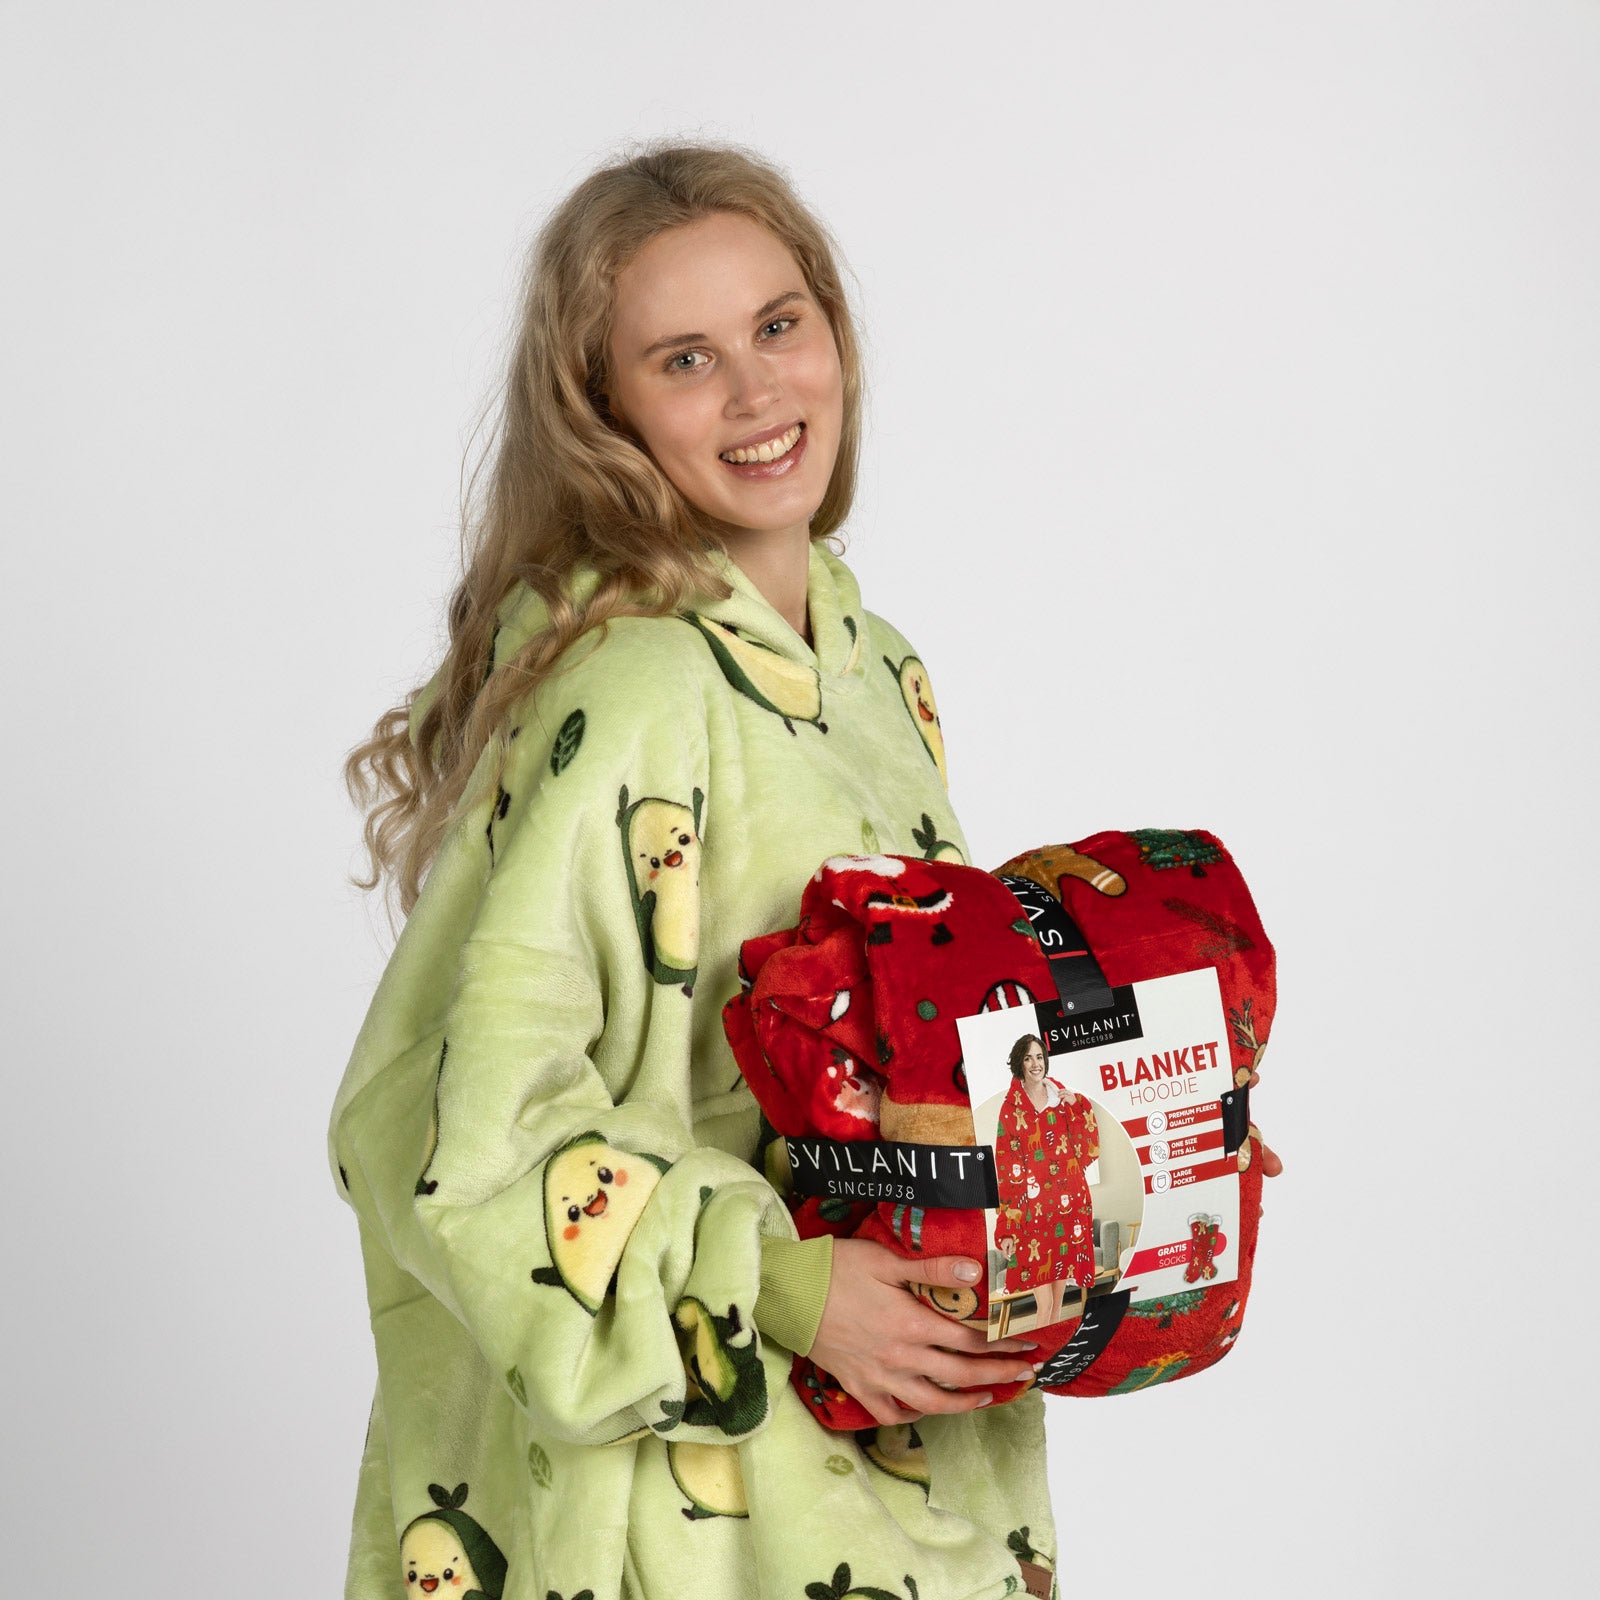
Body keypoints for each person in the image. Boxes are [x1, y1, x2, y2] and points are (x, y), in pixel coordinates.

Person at [329, 140, 1069, 1600]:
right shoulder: (639, 683)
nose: (755, 390)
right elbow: (449, 1131)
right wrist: (781, 1284)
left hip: (903, 1462)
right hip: (704, 1513)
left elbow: (893, 1046)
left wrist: (1122, 1145)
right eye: (684, 360)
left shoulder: (877, 669)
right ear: (601, 414)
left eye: (779, 325)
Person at [994, 1035, 1099, 1325]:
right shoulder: (1010, 1109)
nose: (1035, 1064)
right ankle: (1044, 1350)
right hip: (1033, 1213)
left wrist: (1077, 1107)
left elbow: (1086, 1150)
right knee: (1045, 1305)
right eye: (1028, 1058)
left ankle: (1053, 1348)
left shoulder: (1062, 1099)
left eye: (1039, 1057)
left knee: (1057, 1305)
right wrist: (1007, 1228)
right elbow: (1007, 1168)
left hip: (1068, 1205)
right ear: (1019, 1063)